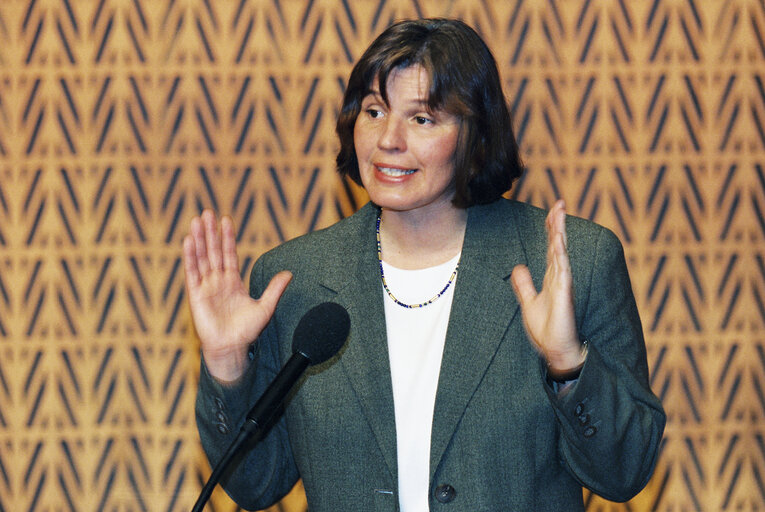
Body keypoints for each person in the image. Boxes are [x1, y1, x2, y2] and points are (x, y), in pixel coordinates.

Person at [183, 18, 665, 511]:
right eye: (374, 111)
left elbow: (624, 473)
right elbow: (257, 485)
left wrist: (568, 363)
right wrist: (226, 365)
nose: (388, 139)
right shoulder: (294, 280)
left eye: (422, 119)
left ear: (475, 134)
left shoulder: (572, 263)